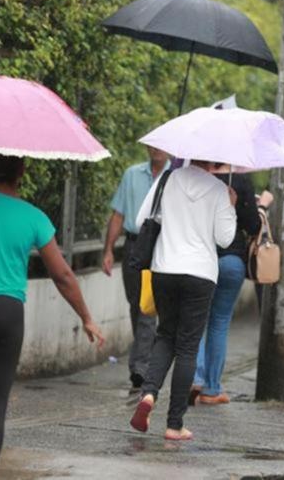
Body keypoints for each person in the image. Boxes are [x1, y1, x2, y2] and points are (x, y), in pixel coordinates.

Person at [0, 154, 105, 480]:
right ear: (22, 172)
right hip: (4, 311)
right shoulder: (34, 217)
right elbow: (63, 275)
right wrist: (86, 316)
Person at [129, 160, 237, 440]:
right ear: (213, 159)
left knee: (165, 335)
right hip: (200, 273)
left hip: (164, 269)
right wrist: (231, 205)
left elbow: (142, 220)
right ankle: (174, 424)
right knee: (188, 347)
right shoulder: (218, 189)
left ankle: (149, 394)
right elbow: (225, 239)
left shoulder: (167, 179)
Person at [191, 171, 271, 405]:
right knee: (219, 323)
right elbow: (253, 225)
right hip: (231, 261)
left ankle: (194, 377)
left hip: (200, 259)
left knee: (196, 321)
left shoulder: (192, 176)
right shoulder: (239, 181)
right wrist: (262, 207)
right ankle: (211, 389)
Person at [102, 146, 170, 391]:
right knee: (136, 305)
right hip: (133, 245)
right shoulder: (132, 174)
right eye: (153, 146)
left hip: (160, 245)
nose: (157, 151)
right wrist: (109, 249)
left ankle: (141, 367)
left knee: (147, 308)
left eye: (161, 147)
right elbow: (118, 214)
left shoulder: (175, 175)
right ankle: (145, 360)